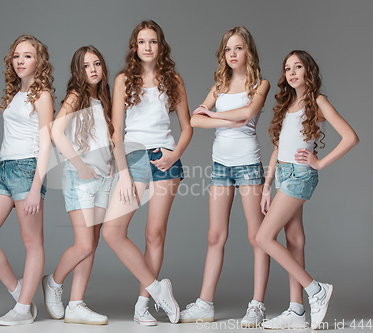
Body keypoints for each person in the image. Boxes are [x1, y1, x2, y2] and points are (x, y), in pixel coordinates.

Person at [257, 50, 359, 330]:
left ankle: (316, 290)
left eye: (297, 66)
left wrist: (320, 163)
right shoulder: (287, 104)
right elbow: (278, 149)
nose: (291, 72)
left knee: (263, 237)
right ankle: (297, 310)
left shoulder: (318, 101)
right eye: (287, 68)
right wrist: (266, 186)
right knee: (294, 239)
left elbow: (350, 137)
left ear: (308, 71)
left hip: (300, 176)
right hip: (282, 175)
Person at [102, 20, 193, 326]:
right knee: (112, 232)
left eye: (153, 41)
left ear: (161, 45)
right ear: (135, 46)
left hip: (166, 159)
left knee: (154, 235)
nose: (147, 47)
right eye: (142, 42)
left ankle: (142, 306)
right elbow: (116, 132)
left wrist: (176, 154)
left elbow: (187, 127)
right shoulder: (124, 80)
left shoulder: (173, 80)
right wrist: (124, 173)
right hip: (134, 159)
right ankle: (158, 289)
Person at [180, 26, 270, 328]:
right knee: (214, 236)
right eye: (228, 49)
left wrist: (213, 117)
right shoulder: (219, 86)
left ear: (249, 52)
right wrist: (226, 119)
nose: (232, 54)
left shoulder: (261, 84)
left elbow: (250, 110)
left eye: (238, 48)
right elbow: (193, 120)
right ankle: (205, 303)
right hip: (220, 165)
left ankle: (257, 305)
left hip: (248, 165)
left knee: (257, 238)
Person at [0, 35, 54, 326]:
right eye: (17, 56)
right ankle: (22, 294)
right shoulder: (15, 93)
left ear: (38, 61)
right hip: (5, 170)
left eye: (27, 56)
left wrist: (36, 187)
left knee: (32, 242)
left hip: (27, 170)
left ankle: (22, 311)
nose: (20, 61)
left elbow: (47, 144)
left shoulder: (42, 95)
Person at [41, 46, 113, 325]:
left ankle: (76, 304)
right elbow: (55, 132)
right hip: (79, 179)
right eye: (86, 66)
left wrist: (110, 168)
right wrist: (81, 167)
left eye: (97, 63)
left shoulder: (104, 99)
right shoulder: (74, 97)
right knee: (83, 244)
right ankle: (55, 283)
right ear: (77, 71)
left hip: (103, 180)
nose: (93, 69)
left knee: (92, 244)